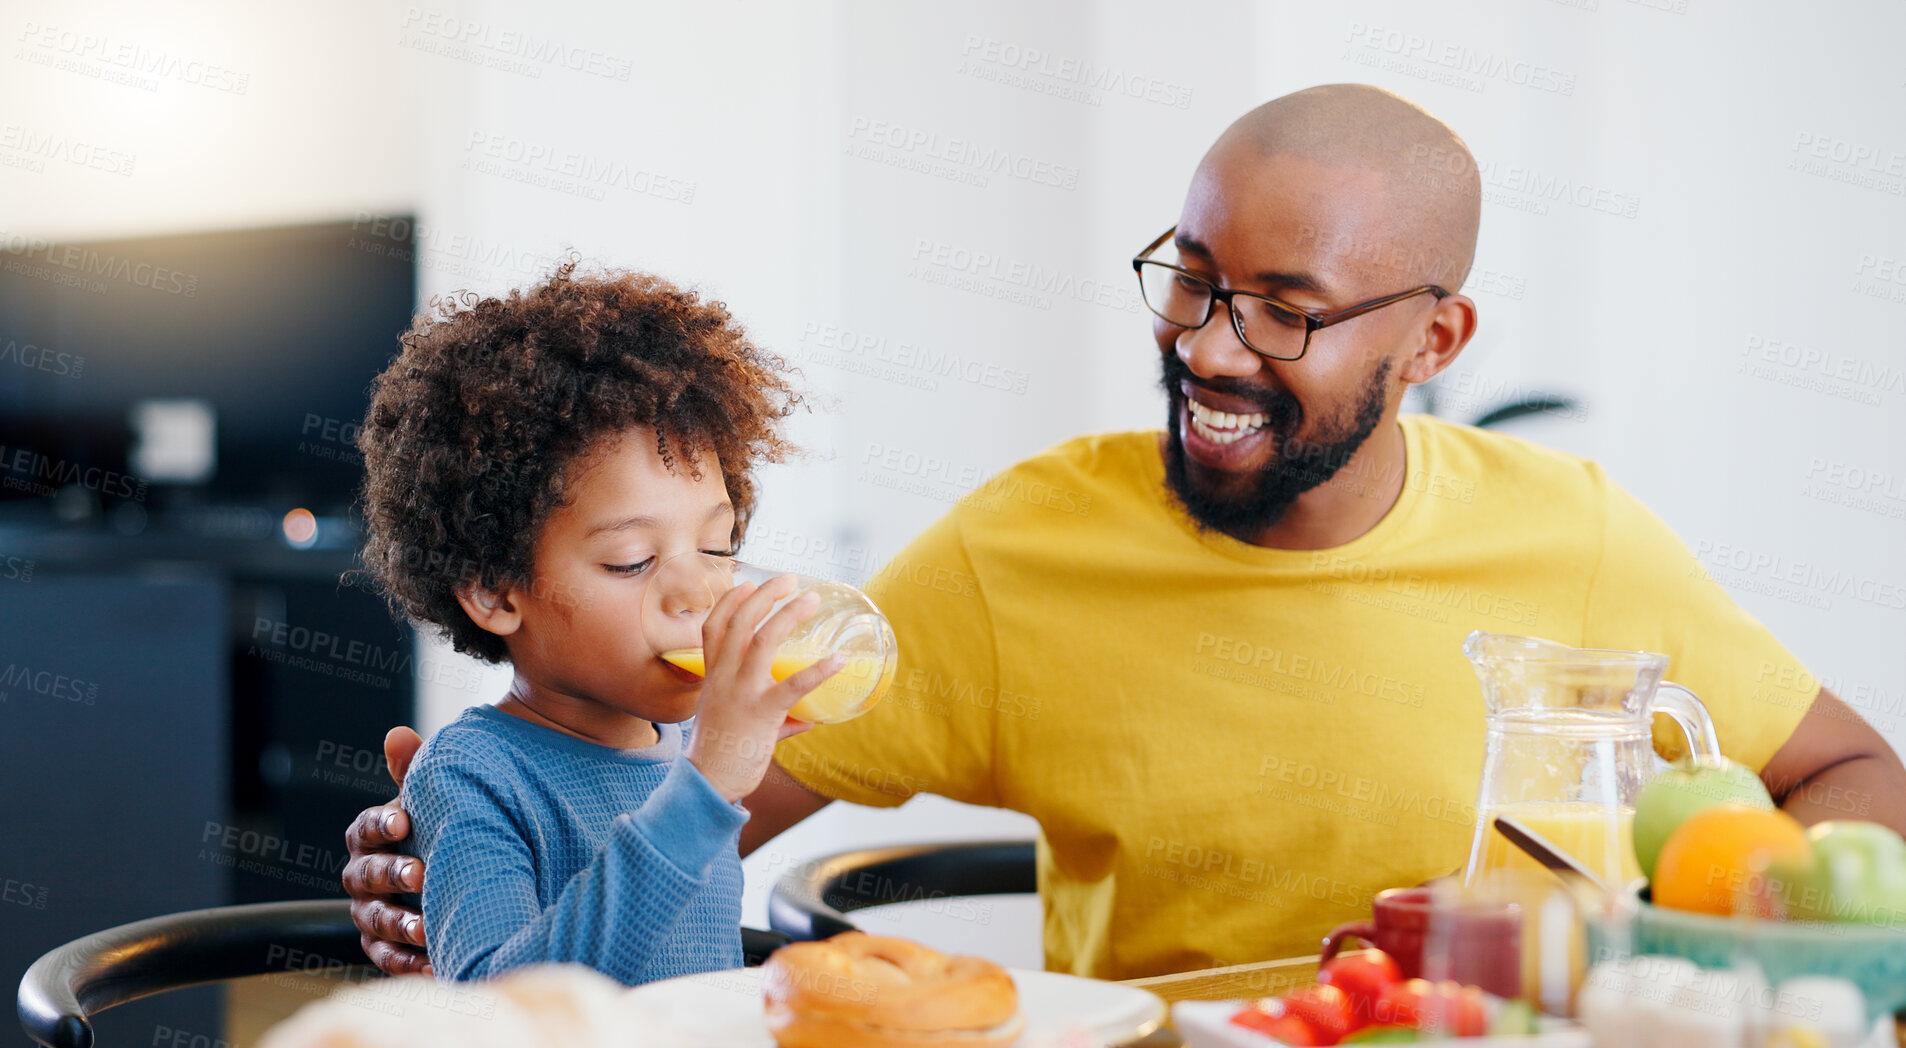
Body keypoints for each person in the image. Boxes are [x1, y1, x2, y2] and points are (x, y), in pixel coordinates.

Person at [345, 85, 1906, 981]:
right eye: (1193, 278)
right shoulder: (1017, 556)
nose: (1213, 349)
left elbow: (1849, 776)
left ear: (1436, 343)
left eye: (1288, 312)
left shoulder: (1571, 539)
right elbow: (661, 814)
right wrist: (441, 874)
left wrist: (1743, 942)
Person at [348, 262, 842, 984]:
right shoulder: (475, 776)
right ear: (493, 590)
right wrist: (705, 787)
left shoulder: (680, 751)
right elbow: (501, 1014)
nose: (697, 593)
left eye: (716, 547)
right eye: (633, 560)